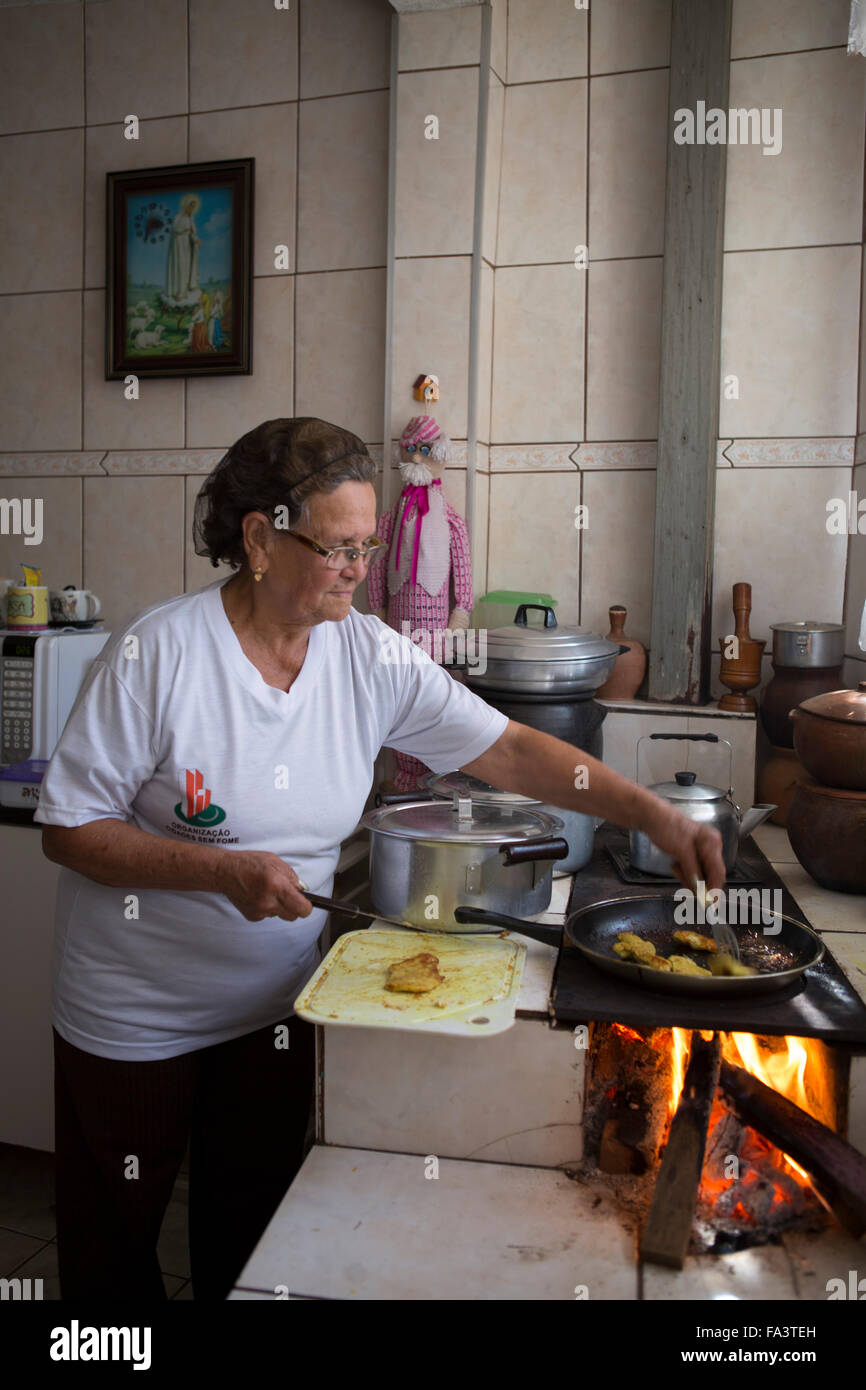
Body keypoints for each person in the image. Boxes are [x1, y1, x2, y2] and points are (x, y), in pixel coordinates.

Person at [36, 417, 725, 1302]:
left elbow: (509, 750)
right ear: (259, 537)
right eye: (338, 548)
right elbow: (71, 828)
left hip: (276, 1010)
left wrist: (651, 814)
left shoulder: (364, 653)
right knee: (114, 1257)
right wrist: (222, 870)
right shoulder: (159, 654)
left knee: (249, 1242)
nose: (361, 569)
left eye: (368, 546)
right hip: (134, 1022)